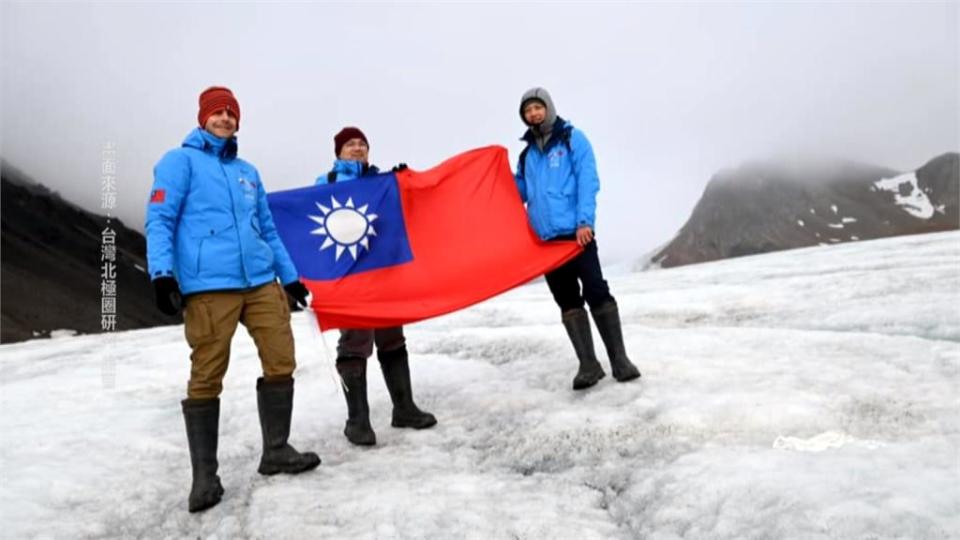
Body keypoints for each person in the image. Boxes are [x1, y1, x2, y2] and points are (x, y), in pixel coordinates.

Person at [146, 86, 320, 513]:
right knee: (207, 373)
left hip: (260, 280)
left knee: (281, 359)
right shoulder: (179, 161)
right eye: (217, 113)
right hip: (208, 285)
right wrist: (162, 273)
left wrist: (291, 278)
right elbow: (160, 217)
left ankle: (276, 451)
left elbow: (268, 229)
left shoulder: (248, 171)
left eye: (231, 113)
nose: (224, 119)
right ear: (203, 117)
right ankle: (204, 477)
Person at [315, 126, 437, 446]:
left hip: (384, 274)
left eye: (362, 144)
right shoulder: (324, 184)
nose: (357, 149)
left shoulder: (382, 181)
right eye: (350, 145)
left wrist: (405, 183)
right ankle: (358, 421)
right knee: (356, 341)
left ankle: (404, 408)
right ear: (338, 152)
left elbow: (408, 212)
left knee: (391, 337)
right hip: (349, 277)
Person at [513, 87, 641, 390]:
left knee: (596, 289)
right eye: (527, 110)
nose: (532, 114)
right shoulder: (527, 155)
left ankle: (619, 360)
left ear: (548, 108)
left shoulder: (572, 139)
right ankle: (588, 365)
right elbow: (519, 193)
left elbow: (588, 180)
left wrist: (586, 221)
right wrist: (492, 180)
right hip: (546, 242)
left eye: (536, 107)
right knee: (567, 300)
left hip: (576, 234)